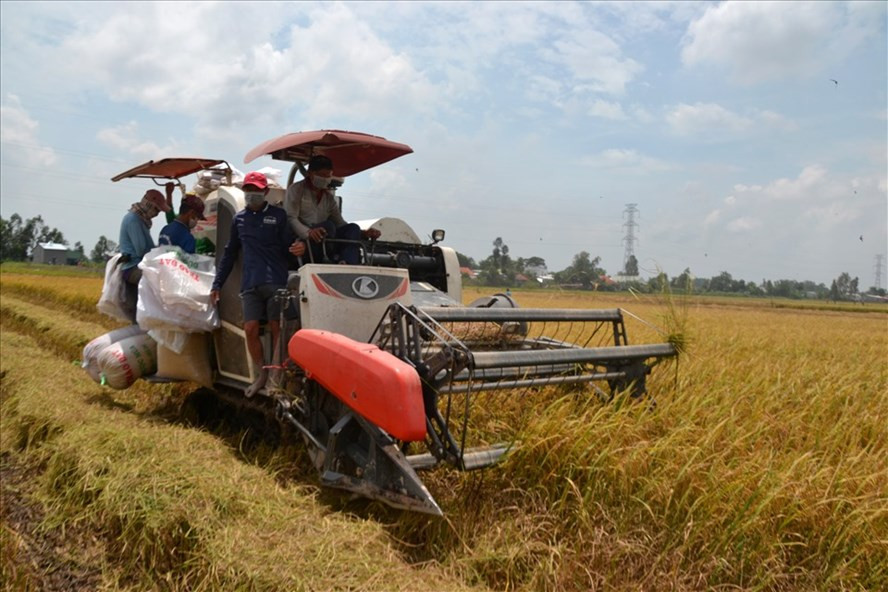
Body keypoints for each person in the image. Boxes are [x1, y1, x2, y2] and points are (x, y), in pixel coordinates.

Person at [210, 171, 306, 397]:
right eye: (249, 190)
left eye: (256, 190)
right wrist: (217, 284)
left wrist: (298, 246)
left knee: (276, 327)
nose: (252, 194)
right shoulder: (239, 219)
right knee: (250, 329)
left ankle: (277, 375)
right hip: (250, 283)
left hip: (276, 281)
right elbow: (229, 253)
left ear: (265, 192)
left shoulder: (279, 216)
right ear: (245, 192)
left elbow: (290, 247)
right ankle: (262, 372)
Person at [284, 154, 380, 265]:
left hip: (325, 238)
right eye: (321, 175)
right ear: (310, 173)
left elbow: (341, 224)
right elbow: (291, 218)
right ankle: (330, 258)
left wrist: (364, 233)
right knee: (328, 226)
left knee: (353, 228)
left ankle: (346, 263)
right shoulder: (296, 190)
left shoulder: (328, 198)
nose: (325, 179)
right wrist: (308, 233)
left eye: (328, 176)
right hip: (303, 238)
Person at [119, 183, 174, 319]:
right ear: (150, 206)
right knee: (164, 284)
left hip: (139, 264)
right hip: (132, 267)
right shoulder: (134, 220)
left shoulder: (141, 219)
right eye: (157, 210)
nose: (156, 214)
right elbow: (141, 250)